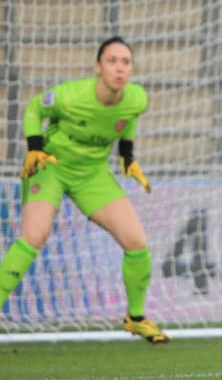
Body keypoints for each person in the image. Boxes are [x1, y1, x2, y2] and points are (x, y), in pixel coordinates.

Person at [0, 36, 169, 344]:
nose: (119, 68)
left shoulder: (136, 98)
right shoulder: (70, 95)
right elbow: (34, 109)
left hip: (92, 174)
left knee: (137, 242)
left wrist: (127, 155)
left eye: (126, 62)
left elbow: (127, 120)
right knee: (34, 236)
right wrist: (35, 147)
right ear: (98, 67)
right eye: (112, 61)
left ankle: (135, 318)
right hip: (51, 165)